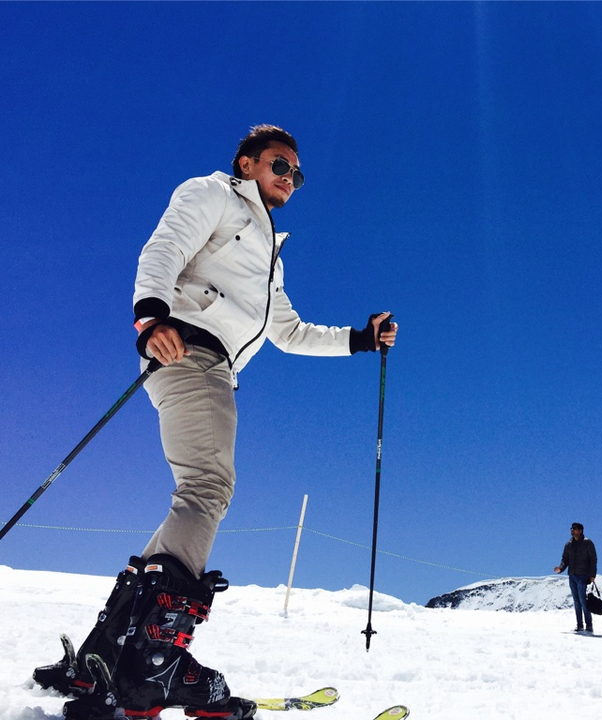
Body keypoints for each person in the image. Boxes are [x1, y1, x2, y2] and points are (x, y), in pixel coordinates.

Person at [34, 125, 398, 720]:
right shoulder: (214, 194)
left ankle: (109, 655)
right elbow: (163, 249)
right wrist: (151, 318)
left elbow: (288, 332)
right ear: (247, 162)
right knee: (207, 489)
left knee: (197, 494)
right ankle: (153, 663)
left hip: (215, 366)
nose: (289, 178)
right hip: (188, 350)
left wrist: (360, 338)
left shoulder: (270, 253)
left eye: (297, 174)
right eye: (281, 164)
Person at [554, 522, 598, 633]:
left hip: (583, 575)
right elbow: (565, 560)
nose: (572, 530)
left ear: (580, 531)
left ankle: (589, 626)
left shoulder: (588, 543)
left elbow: (593, 560)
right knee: (576, 601)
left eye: (574, 529)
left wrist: (592, 575)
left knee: (583, 601)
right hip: (572, 575)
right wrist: (560, 569)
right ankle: (579, 625)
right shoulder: (569, 544)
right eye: (571, 529)